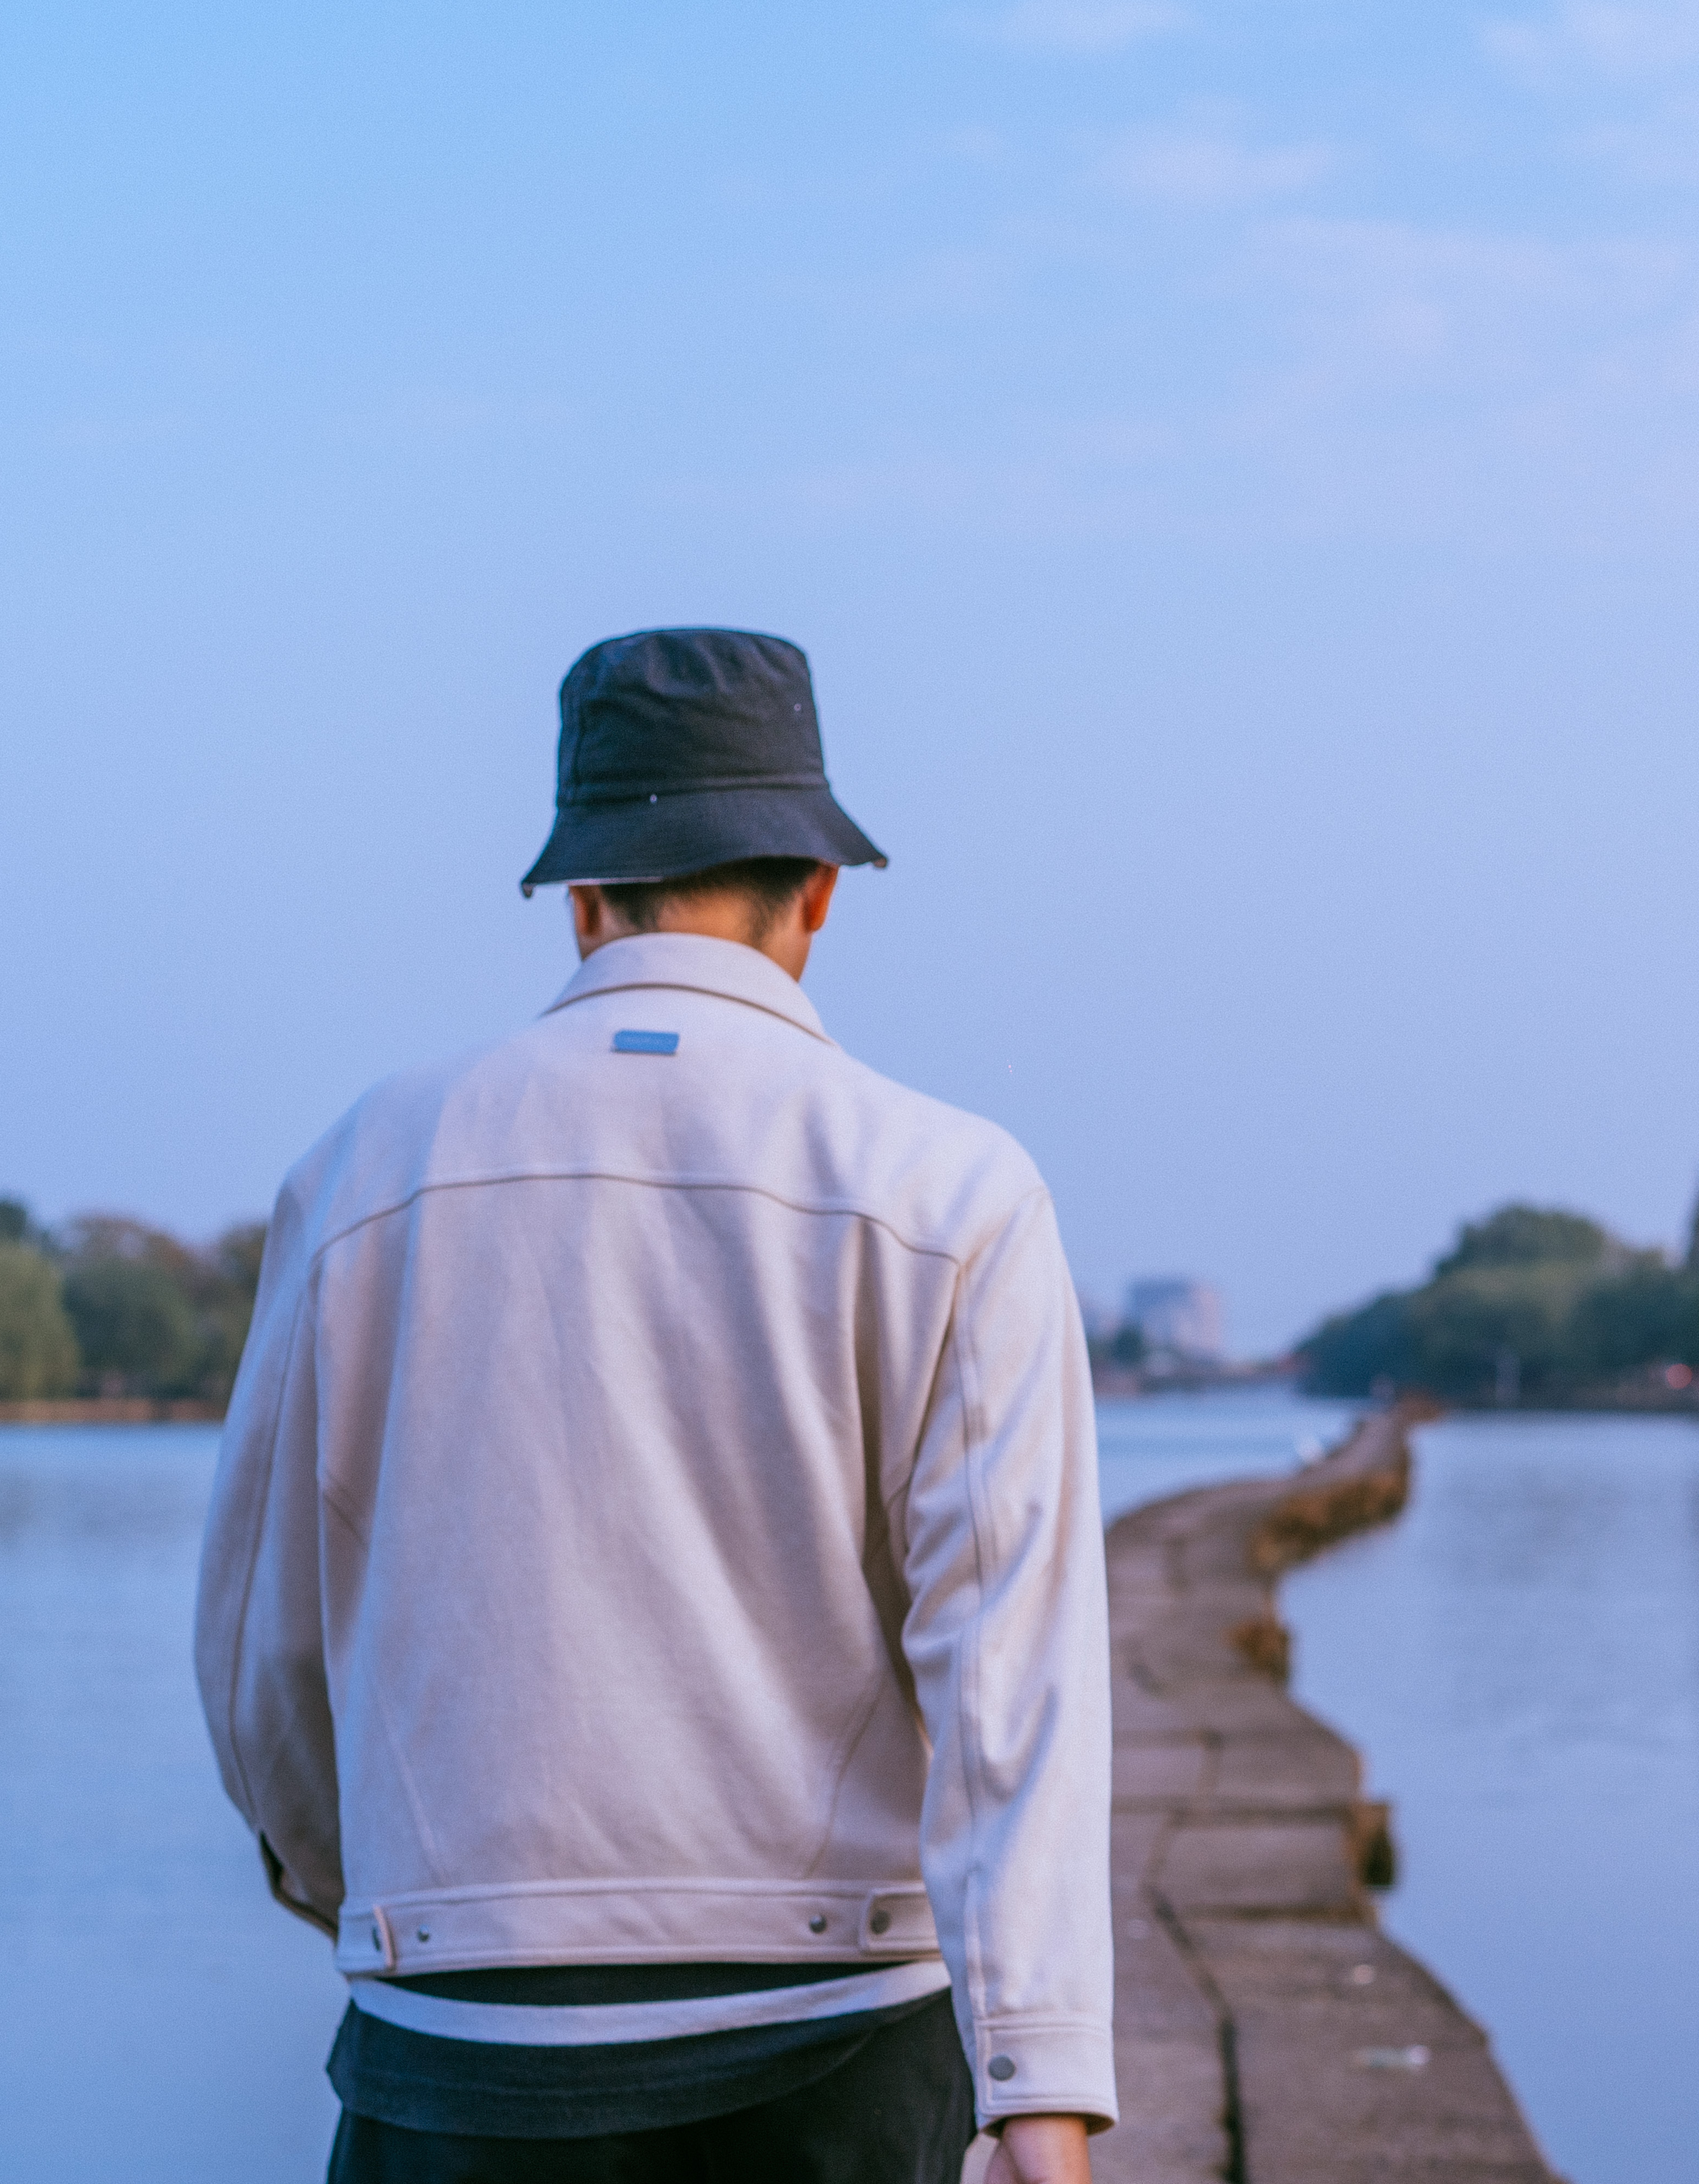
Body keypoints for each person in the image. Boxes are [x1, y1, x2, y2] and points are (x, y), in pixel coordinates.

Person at [195, 628, 1111, 2184]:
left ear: (580, 899)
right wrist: (1039, 2089)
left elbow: (263, 1648)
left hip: (457, 2051)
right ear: (817, 890)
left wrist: (386, 1889)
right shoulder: (951, 1189)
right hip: (831, 2046)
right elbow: (1009, 1684)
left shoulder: (364, 1170)